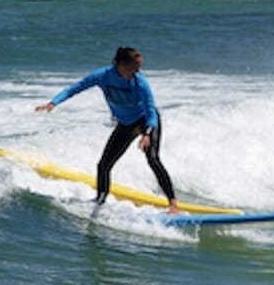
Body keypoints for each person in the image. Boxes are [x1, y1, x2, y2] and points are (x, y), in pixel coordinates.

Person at [36, 47, 180, 215]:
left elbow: (150, 111)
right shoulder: (103, 76)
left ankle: (173, 204)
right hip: (126, 124)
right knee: (104, 165)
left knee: (153, 159)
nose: (138, 71)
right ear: (121, 65)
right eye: (135, 67)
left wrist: (147, 134)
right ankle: (100, 201)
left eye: (139, 67)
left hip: (145, 121)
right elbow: (75, 88)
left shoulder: (141, 83)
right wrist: (53, 103)